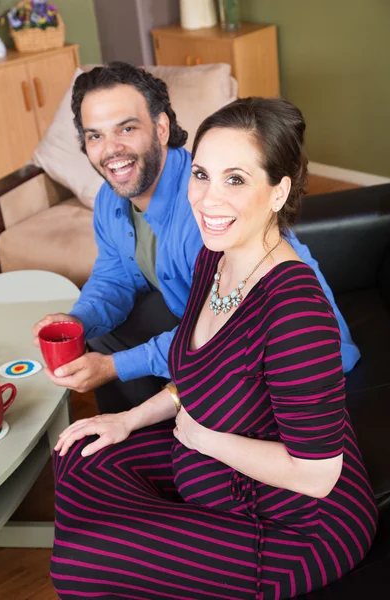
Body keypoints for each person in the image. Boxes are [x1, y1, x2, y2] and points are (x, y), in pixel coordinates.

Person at [51, 97, 376, 599]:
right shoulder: (215, 257)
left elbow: (316, 474)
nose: (206, 199)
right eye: (201, 174)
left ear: (278, 191)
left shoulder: (295, 311)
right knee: (79, 453)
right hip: (213, 468)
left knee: (80, 567)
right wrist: (128, 418)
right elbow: (204, 372)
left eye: (236, 179)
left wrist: (205, 441)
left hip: (296, 524)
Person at [33, 63, 360, 414]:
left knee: (115, 362)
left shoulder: (207, 213)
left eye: (126, 128)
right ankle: (131, 434)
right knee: (99, 336)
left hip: (287, 357)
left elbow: (227, 330)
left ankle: (149, 435)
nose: (111, 149)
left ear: (161, 128)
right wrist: (77, 321)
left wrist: (114, 367)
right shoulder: (109, 200)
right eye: (95, 135)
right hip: (202, 316)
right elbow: (115, 276)